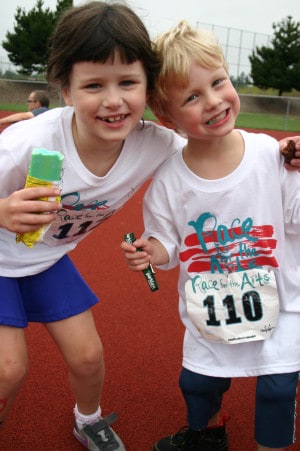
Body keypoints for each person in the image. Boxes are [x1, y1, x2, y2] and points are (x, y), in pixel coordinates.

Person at [121, 21, 300, 451]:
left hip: (282, 302)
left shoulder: (272, 157)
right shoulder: (169, 179)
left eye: (218, 82)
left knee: (277, 389)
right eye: (192, 97)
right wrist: (151, 250)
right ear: (167, 117)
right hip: (211, 309)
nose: (214, 101)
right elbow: (167, 242)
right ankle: (208, 431)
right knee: (197, 382)